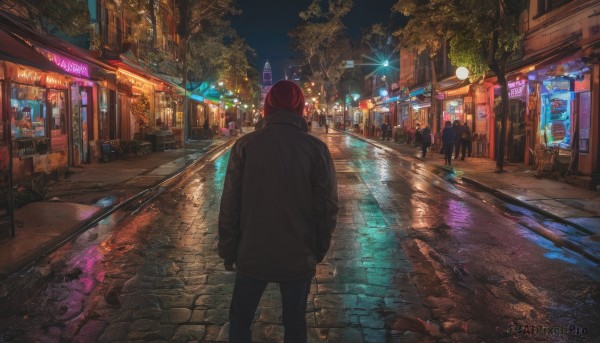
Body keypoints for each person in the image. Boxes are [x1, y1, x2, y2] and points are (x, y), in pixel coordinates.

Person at [218, 80, 339, 343]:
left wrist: (228, 250)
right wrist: (318, 249)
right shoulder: (315, 149)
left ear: (267, 107)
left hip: (251, 253)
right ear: (301, 108)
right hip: (298, 255)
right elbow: (328, 208)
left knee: (240, 320)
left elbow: (230, 204)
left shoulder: (245, 146)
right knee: (295, 322)